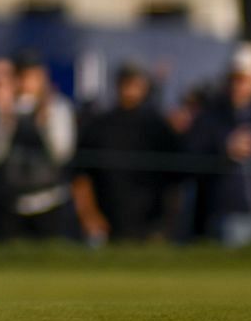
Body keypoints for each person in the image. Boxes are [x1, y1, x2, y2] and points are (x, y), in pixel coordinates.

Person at [72, 62, 180, 244]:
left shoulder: (158, 128)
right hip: (106, 225)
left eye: (135, 83)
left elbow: (175, 180)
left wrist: (166, 223)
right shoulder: (99, 126)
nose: (130, 89)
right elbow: (81, 176)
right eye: (126, 83)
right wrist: (89, 215)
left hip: (149, 224)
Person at [0, 49, 77, 240]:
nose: (27, 82)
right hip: (9, 203)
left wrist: (45, 123)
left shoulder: (57, 108)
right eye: (21, 75)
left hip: (49, 203)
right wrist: (4, 122)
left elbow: (61, 154)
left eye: (33, 75)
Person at [187, 42, 251, 245]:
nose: (239, 85)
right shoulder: (211, 115)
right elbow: (192, 156)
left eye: (245, 79)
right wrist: (224, 149)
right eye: (234, 78)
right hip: (231, 212)